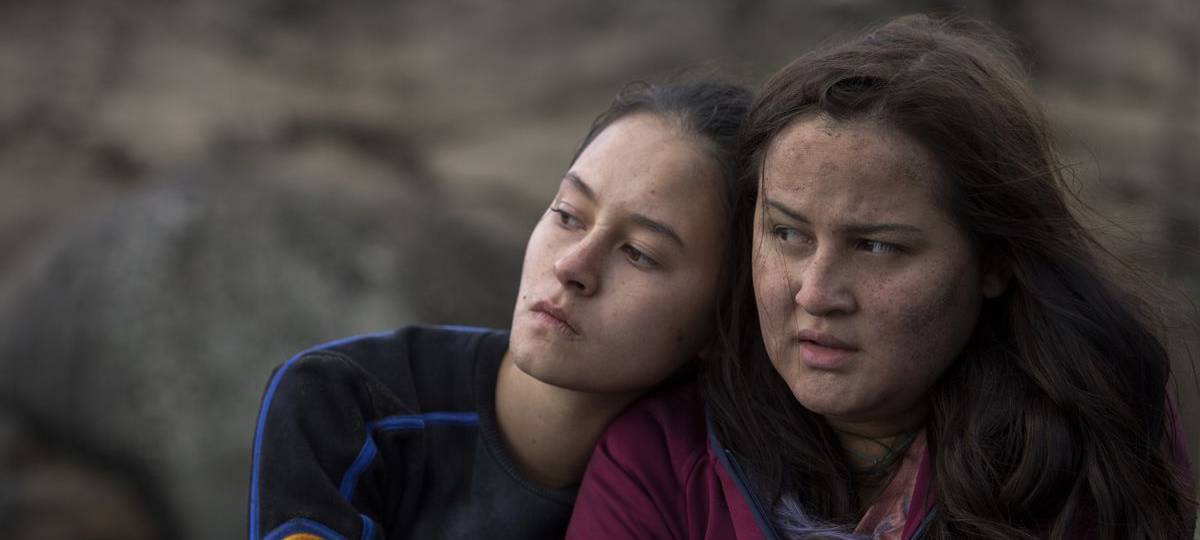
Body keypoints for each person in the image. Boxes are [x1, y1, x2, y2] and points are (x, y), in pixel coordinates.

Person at [568, 14, 1196, 539]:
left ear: (995, 261)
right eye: (788, 234)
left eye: (875, 246)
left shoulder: (1093, 433)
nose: (816, 293)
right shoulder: (659, 461)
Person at [247, 80, 751, 539]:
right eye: (568, 215)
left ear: (722, 321)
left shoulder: (713, 496)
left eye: (638, 252)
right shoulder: (346, 402)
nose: (571, 266)